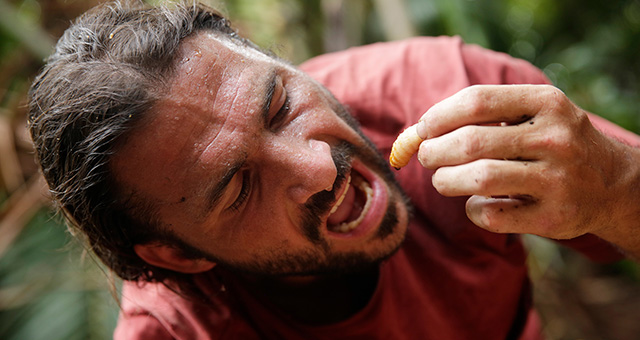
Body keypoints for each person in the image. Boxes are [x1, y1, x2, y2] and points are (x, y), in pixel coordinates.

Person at [27, 1, 640, 339]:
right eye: (240, 186)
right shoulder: (179, 333)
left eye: (281, 105)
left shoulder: (450, 96)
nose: (320, 166)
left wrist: (616, 188)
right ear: (180, 256)